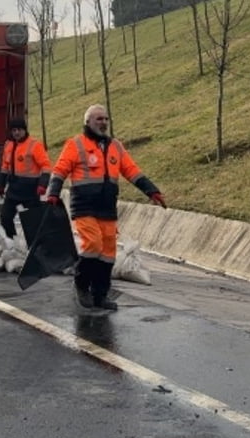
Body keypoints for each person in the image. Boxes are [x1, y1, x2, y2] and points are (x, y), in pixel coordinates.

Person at [45, 104, 166, 311]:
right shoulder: (76, 144)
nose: (103, 123)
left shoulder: (115, 147)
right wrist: (53, 193)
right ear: (88, 122)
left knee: (108, 252)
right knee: (92, 243)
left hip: (107, 207)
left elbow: (131, 171)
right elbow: (60, 170)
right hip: (84, 206)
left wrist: (151, 191)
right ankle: (81, 286)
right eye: (98, 119)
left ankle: (100, 295)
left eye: (105, 119)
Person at [0, 117, 52, 242]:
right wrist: (1, 184)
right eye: (14, 130)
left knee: (32, 223)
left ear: (25, 130)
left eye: (19, 130)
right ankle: (13, 243)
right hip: (14, 189)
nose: (16, 133)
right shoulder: (8, 145)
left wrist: (43, 184)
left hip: (31, 191)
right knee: (5, 218)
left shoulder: (35, 145)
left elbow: (46, 166)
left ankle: (34, 246)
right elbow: (5, 166)